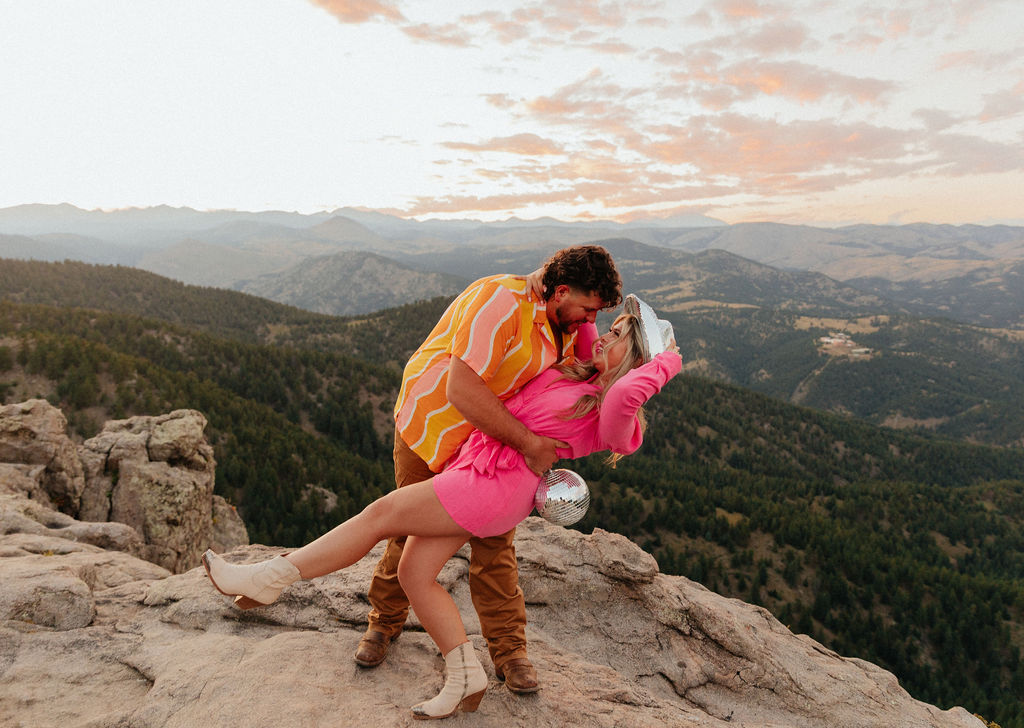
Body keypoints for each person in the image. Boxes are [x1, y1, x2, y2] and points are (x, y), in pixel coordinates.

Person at [202, 297, 681, 719]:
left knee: (379, 517)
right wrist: (574, 301)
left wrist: (666, 362)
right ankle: (464, 675)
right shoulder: (585, 371)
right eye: (610, 326)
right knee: (414, 572)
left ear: (638, 361)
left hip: (493, 487)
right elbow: (581, 324)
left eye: (619, 335)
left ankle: (266, 579)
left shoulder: (611, 409)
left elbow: (627, 392)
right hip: (478, 474)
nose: (604, 335)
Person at [357, 245, 622, 695]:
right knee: (405, 530)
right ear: (560, 291)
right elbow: (461, 389)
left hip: (485, 448)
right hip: (434, 429)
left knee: (495, 544)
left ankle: (510, 652)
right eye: (586, 309)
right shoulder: (500, 301)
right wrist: (529, 445)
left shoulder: (562, 322)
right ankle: (383, 624)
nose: (588, 321)